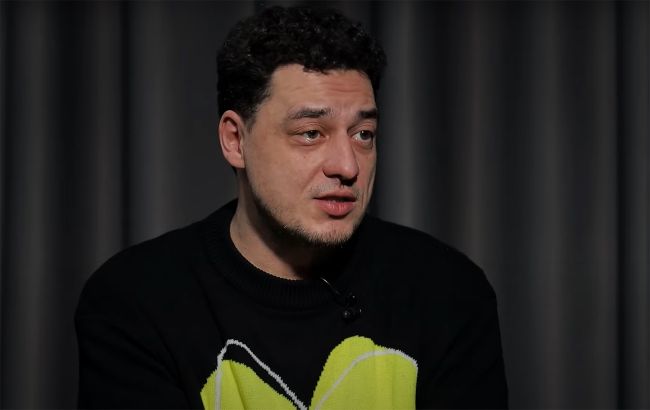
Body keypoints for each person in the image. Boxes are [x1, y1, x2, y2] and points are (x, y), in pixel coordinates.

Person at [75, 5, 508, 409]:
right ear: (235, 140)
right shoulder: (137, 300)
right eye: (310, 133)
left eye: (363, 134)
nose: (347, 167)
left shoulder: (447, 292)